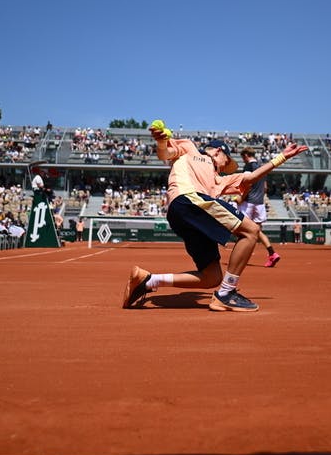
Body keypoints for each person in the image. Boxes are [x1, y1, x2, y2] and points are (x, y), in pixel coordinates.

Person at [122, 123, 307, 313]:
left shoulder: (218, 180)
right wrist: (161, 142)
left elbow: (250, 178)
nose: (225, 167)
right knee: (251, 231)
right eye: (226, 162)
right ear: (219, 151)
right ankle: (226, 294)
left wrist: (282, 157)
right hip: (189, 199)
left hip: (182, 214)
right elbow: (165, 154)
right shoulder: (191, 149)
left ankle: (148, 280)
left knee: (212, 277)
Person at [237, 147, 281, 267]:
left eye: (242, 157)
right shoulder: (261, 167)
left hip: (249, 202)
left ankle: (240, 257)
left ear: (246, 155)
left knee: (242, 230)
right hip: (260, 202)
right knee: (256, 231)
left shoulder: (248, 167)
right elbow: (265, 187)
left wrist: (241, 198)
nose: (243, 160)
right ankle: (272, 253)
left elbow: (247, 184)